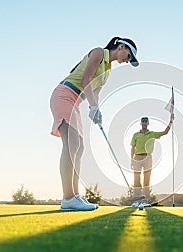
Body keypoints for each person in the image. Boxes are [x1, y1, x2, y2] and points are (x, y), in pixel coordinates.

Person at [50, 37, 139, 211]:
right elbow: (85, 80)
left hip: (74, 102)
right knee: (72, 144)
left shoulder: (107, 71)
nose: (126, 61)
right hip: (64, 95)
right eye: (127, 56)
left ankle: (74, 196)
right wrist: (92, 106)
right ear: (121, 47)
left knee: (79, 147)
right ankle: (68, 197)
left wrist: (96, 111)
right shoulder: (99, 52)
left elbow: (94, 93)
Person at [130, 115, 173, 205]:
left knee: (146, 179)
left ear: (148, 123)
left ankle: (145, 200)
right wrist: (132, 160)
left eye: (146, 121)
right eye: (143, 121)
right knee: (136, 179)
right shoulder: (136, 135)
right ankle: (137, 201)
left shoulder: (152, 134)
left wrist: (171, 121)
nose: (144, 123)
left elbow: (165, 132)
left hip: (148, 157)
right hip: (137, 157)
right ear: (141, 123)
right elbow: (133, 148)